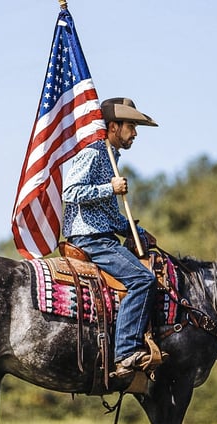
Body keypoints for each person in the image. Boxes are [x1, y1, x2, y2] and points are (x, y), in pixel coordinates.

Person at [62, 97, 159, 381]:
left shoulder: (111, 156)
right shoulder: (93, 152)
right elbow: (70, 192)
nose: (135, 133)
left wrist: (136, 232)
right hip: (90, 238)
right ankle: (126, 351)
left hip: (101, 233)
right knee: (143, 280)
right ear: (113, 126)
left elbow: (108, 215)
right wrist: (109, 187)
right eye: (131, 126)